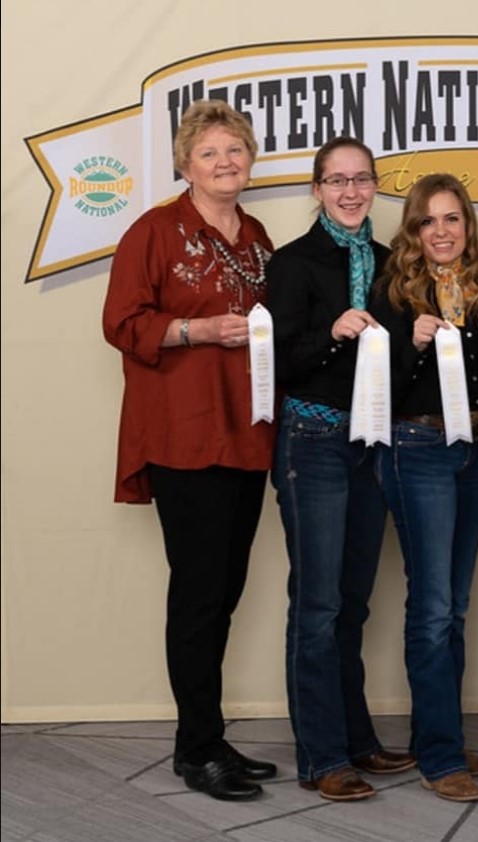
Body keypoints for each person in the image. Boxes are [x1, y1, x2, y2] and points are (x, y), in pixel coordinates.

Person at [103, 100, 278, 801]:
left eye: (234, 150)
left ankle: (208, 736)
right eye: (209, 153)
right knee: (200, 596)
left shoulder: (258, 235)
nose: (224, 162)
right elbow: (122, 322)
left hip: (248, 434)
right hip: (186, 434)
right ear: (184, 164)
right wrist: (198, 333)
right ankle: (195, 747)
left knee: (224, 591)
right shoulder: (154, 231)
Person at [267, 137, 415, 802]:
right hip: (313, 442)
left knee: (352, 603)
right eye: (336, 181)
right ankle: (321, 756)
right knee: (319, 604)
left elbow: (401, 375)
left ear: (375, 185)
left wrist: (418, 341)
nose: (350, 192)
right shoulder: (293, 264)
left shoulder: (389, 265)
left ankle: (357, 740)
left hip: (371, 447)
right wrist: (333, 333)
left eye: (361, 180)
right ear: (317, 188)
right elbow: (281, 364)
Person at [371, 174, 478, 802]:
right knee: (434, 605)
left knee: (457, 605)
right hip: (415, 449)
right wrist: (403, 342)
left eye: (452, 219)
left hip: (474, 450)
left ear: (467, 226)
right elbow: (367, 383)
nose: (441, 231)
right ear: (413, 229)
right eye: (428, 221)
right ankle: (442, 756)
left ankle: (436, 734)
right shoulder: (391, 290)